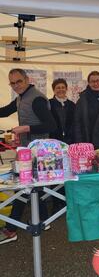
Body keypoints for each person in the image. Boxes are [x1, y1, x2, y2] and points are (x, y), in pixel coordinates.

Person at [0, 68, 56, 245]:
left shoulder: (37, 98)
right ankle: (43, 221)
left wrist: (24, 129)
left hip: (38, 151)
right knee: (33, 188)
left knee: (23, 188)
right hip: (27, 149)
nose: (16, 85)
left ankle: (10, 230)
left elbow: (51, 125)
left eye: (19, 81)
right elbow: (6, 111)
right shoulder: (21, 97)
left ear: (27, 79)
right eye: (12, 83)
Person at [74, 71, 99, 143]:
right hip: (89, 137)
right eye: (92, 81)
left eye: (98, 81)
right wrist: (79, 141)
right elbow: (77, 122)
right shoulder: (83, 99)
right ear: (88, 83)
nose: (96, 84)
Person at [49, 78, 75, 144]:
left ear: (66, 89)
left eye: (63, 87)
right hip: (53, 140)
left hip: (70, 140)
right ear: (54, 90)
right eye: (58, 88)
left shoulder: (72, 105)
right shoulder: (48, 103)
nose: (61, 90)